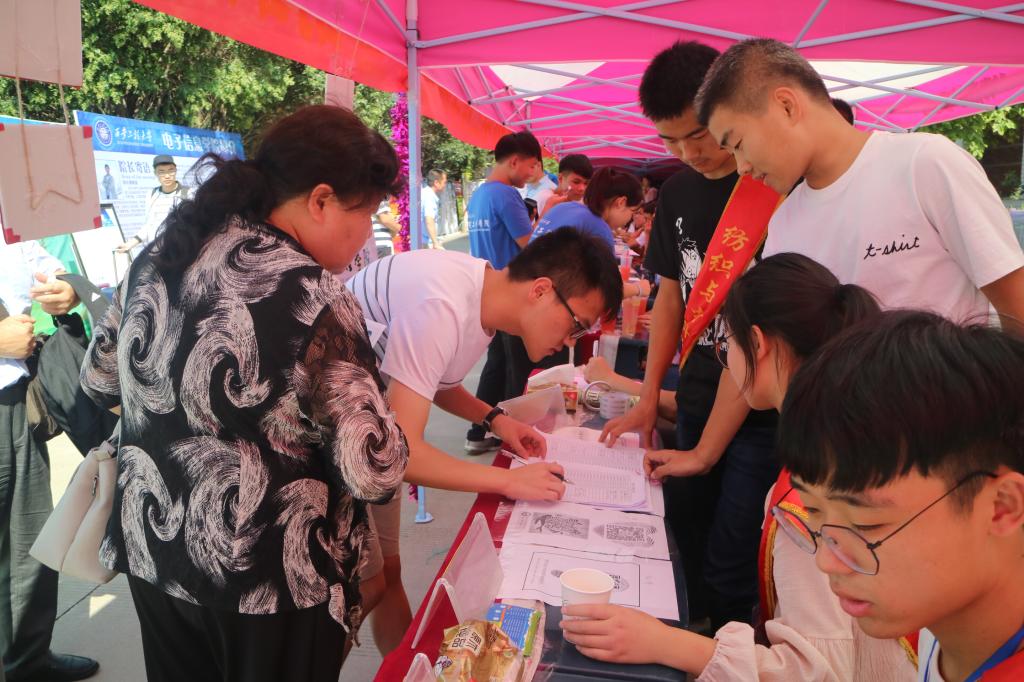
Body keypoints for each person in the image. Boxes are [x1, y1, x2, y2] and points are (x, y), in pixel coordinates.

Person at [79, 105, 410, 682]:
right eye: (368, 212)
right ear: (321, 200)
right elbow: (372, 472)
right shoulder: (314, 294)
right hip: (270, 576)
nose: (366, 235)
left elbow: (99, 379)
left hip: (156, 551)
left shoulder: (159, 256)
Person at [564, 254, 918, 681]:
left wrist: (663, 642)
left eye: (725, 344)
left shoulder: (814, 496)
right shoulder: (851, 449)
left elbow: (820, 672)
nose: (726, 360)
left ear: (757, 343)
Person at [347, 228, 621, 655]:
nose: (570, 343)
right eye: (576, 326)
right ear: (541, 290)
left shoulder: (480, 301)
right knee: (362, 591)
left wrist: (496, 420)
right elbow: (400, 455)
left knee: (386, 578)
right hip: (327, 443)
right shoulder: (441, 304)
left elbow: (431, 381)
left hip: (367, 428)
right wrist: (511, 481)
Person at [601, 40, 781, 632]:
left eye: (698, 135)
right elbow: (671, 297)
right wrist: (650, 393)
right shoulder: (677, 192)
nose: (688, 153)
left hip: (764, 410)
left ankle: (731, 651)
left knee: (735, 558)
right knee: (685, 530)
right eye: (670, 141)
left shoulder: (773, 185)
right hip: (701, 391)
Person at [695, 38, 1024, 330]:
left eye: (738, 144)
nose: (742, 167)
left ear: (786, 106)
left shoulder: (924, 164)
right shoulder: (783, 225)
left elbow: (1016, 307)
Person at [774, 311, 1024, 682]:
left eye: (865, 525)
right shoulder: (944, 624)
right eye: (812, 510)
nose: (827, 562)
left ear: (1002, 507)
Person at [0, 243, 96, 681]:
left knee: (27, 540)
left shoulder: (10, 220)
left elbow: (53, 271)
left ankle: (26, 661)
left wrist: (67, 290)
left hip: (13, 403)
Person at [465, 131, 543, 453]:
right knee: (517, 367)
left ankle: (477, 432)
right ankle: (508, 435)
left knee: (496, 362)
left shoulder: (478, 196)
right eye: (531, 165)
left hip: (484, 292)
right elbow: (530, 247)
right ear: (514, 161)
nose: (532, 173)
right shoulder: (508, 195)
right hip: (512, 295)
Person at [530, 167, 643, 252]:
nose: (630, 219)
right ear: (621, 202)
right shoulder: (599, 228)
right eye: (632, 211)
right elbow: (607, 277)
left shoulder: (563, 207)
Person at [115, 155, 191, 253]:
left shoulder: (188, 193)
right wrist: (129, 244)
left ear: (175, 170)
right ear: (155, 173)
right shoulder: (152, 194)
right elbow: (149, 225)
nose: (167, 176)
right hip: (155, 251)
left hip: (179, 251)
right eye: (161, 172)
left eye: (170, 170)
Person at [422, 169, 447, 250]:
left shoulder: (424, 193)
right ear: (436, 183)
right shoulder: (429, 197)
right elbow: (429, 220)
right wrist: (435, 243)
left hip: (423, 241)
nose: (445, 185)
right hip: (425, 243)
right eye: (444, 182)